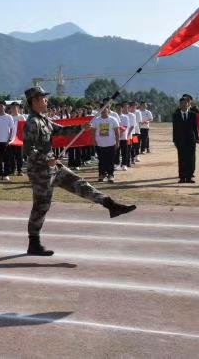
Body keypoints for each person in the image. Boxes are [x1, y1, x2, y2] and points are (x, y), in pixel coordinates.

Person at [23, 86, 136, 256]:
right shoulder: (32, 122)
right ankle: (34, 243)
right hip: (40, 171)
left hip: (53, 166)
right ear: (35, 101)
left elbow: (60, 130)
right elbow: (28, 149)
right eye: (43, 98)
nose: (46, 100)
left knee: (79, 184)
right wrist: (46, 160)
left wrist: (81, 127)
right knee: (41, 207)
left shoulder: (43, 119)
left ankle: (110, 205)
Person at [173, 94, 199, 183]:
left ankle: (189, 177)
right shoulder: (176, 115)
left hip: (191, 139)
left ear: (188, 104)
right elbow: (175, 128)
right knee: (181, 158)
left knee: (190, 158)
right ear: (180, 105)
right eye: (182, 103)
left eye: (185, 103)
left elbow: (195, 127)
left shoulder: (193, 114)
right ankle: (182, 177)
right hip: (180, 140)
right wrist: (174, 140)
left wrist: (197, 137)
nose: (184, 105)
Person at [90, 104, 120, 182]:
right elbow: (93, 132)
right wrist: (94, 141)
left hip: (111, 144)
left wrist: (117, 143)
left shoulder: (113, 119)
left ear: (108, 110)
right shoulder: (96, 120)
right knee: (101, 161)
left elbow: (117, 132)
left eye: (105, 109)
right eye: (102, 109)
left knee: (110, 160)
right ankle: (101, 174)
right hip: (99, 144)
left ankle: (110, 175)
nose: (103, 111)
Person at [8, 102, 26, 176]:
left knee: (19, 156)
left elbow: (24, 128)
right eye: (12, 108)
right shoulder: (9, 117)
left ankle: (19, 170)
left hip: (19, 140)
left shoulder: (21, 117)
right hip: (11, 139)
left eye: (15, 108)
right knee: (11, 156)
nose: (13, 109)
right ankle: (12, 170)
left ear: (18, 108)